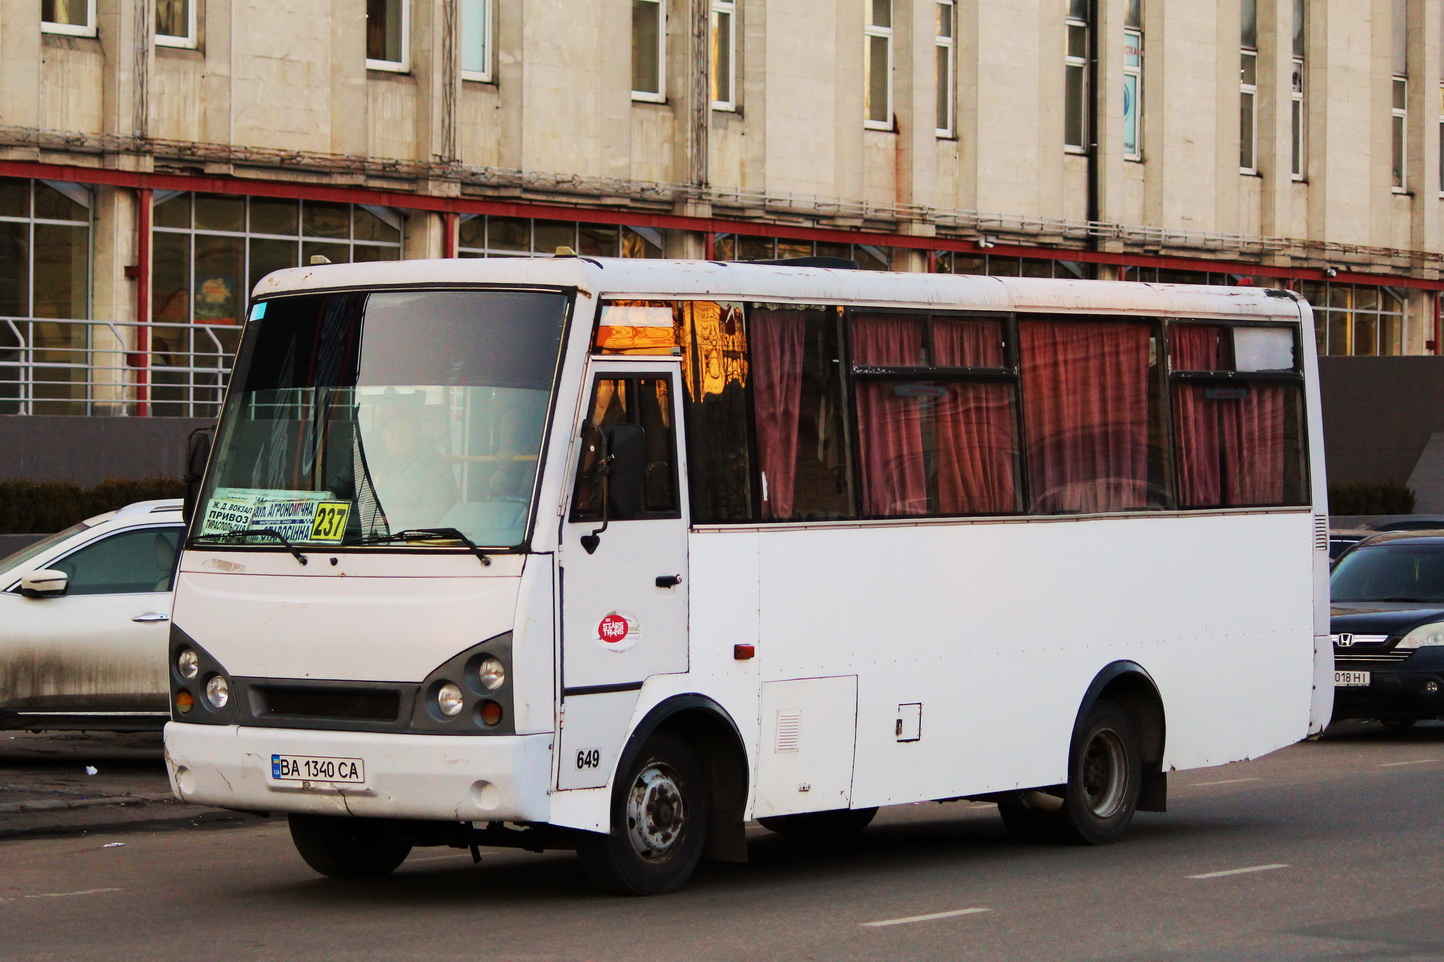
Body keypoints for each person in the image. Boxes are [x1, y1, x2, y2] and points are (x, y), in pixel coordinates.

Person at [366, 406, 459, 532]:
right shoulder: (371, 461)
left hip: (411, 538)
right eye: (392, 430)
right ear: (383, 435)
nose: (397, 436)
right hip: (369, 535)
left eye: (404, 432)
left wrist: (392, 518)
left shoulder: (431, 466)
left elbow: (436, 513)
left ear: (414, 437)